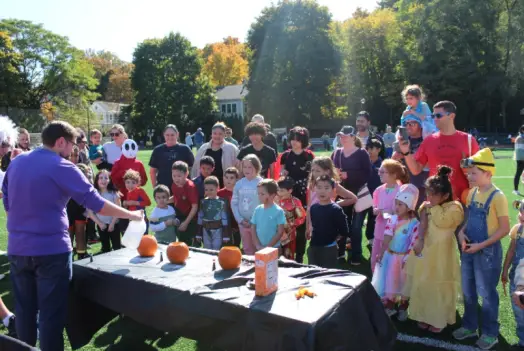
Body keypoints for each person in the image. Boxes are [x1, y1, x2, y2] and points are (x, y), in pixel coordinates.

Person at [3, 121, 142, 351]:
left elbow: (7, 203)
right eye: (71, 146)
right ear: (60, 142)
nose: (73, 152)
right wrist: (132, 216)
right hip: (51, 250)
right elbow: (96, 203)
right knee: (51, 315)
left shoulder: (17, 163)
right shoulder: (62, 166)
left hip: (18, 248)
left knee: (24, 311)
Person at [453, 148, 509, 350]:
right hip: (469, 250)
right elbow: (468, 219)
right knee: (468, 292)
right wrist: (461, 233)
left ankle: (490, 333)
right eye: (469, 172)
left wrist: (481, 245)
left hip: (487, 254)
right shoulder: (473, 192)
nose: (469, 175)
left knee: (486, 294)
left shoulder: (498, 197)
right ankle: (469, 326)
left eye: (473, 173)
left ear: (488, 173)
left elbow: (504, 229)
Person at [407, 166, 464, 333]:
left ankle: (439, 318)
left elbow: (442, 222)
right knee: (423, 281)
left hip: (442, 253)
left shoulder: (455, 207)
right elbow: (423, 222)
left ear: (445, 195)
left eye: (433, 194)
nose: (429, 197)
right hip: (427, 249)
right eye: (428, 193)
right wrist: (420, 239)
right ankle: (423, 315)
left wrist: (431, 207)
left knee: (440, 283)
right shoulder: (428, 205)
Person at [399, 101, 479, 202]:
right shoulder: (429, 140)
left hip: (464, 200)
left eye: (438, 115)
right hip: (435, 202)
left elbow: (480, 170)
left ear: (452, 116)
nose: (435, 119)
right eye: (433, 116)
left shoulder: (468, 140)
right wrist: (406, 152)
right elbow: (416, 170)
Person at [371, 184, 420, 321]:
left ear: (409, 207)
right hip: (391, 256)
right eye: (396, 204)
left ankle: (403, 306)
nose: (397, 207)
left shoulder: (414, 223)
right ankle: (391, 304)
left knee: (404, 282)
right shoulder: (392, 220)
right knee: (391, 280)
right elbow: (387, 237)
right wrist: (381, 252)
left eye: (401, 205)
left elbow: (413, 241)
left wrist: (408, 257)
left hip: (404, 258)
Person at [332, 125, 372, 265]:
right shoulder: (336, 153)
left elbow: (368, 174)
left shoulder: (361, 153)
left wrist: (348, 175)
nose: (342, 138)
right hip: (342, 195)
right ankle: (340, 253)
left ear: (353, 137)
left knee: (356, 227)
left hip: (359, 195)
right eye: (341, 136)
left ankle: (356, 255)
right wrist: (336, 174)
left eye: (345, 136)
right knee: (342, 226)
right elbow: (332, 174)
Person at [306, 157, 357, 255]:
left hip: (327, 220)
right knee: (316, 249)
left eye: (318, 170)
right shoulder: (312, 184)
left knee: (328, 247)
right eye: (313, 170)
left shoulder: (333, 185)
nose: (314, 173)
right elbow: (309, 207)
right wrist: (307, 226)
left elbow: (353, 198)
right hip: (315, 220)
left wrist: (334, 204)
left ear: (327, 171)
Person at [279, 126, 314, 263]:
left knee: (301, 223)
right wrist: (283, 174)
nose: (294, 142)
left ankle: (299, 255)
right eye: (292, 139)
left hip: (303, 193)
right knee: (287, 223)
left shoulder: (308, 156)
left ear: (303, 141)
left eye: (298, 139)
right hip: (288, 193)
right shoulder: (285, 156)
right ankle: (286, 254)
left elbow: (311, 175)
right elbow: (282, 174)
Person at [370, 159, 408, 271]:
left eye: (382, 172)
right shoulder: (378, 190)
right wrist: (376, 210)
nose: (379, 174)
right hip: (380, 229)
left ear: (394, 175)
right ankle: (376, 279)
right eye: (379, 171)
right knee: (376, 255)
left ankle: (392, 282)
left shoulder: (402, 190)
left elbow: (403, 211)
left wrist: (388, 211)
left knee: (391, 259)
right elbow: (374, 207)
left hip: (395, 231)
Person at [307, 175, 350, 268]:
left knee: (327, 274)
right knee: (313, 273)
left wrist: (334, 239)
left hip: (329, 248)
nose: (322, 191)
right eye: (319, 187)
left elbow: (344, 230)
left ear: (333, 190)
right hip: (314, 246)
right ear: (315, 189)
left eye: (326, 188)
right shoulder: (314, 208)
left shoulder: (336, 209)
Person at [393, 115, 429, 208]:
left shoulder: (427, 140)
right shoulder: (402, 140)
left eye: (412, 123)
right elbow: (392, 162)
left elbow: (426, 163)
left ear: (420, 125)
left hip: (422, 185)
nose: (408, 126)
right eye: (406, 124)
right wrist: (395, 157)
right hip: (404, 185)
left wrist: (407, 154)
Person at [502, 201, 524, 347]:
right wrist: (505, 270)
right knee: (519, 313)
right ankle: (522, 340)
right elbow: (511, 250)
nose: (521, 215)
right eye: (521, 211)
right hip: (516, 278)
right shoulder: (518, 229)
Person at [231, 154, 263, 254]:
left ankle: (259, 268)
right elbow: (234, 203)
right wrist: (240, 219)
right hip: (243, 224)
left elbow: (265, 204)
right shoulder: (239, 184)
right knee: (247, 248)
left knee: (259, 248)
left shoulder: (262, 183)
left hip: (258, 224)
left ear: (257, 167)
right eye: (244, 167)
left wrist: (254, 221)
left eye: (250, 167)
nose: (246, 169)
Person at [191, 122, 239, 187]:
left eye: (220, 134)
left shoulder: (232, 148)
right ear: (211, 134)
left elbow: (238, 167)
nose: (217, 136)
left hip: (225, 186)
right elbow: (196, 167)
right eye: (215, 133)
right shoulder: (203, 148)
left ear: (224, 134)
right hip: (205, 187)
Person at [149, 124, 194, 189]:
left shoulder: (185, 149)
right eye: (167, 135)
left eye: (172, 135)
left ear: (177, 134)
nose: (170, 137)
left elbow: (192, 168)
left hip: (182, 188)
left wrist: (190, 184)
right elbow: (153, 171)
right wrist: (155, 187)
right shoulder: (158, 150)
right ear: (164, 135)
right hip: (164, 189)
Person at [251, 179, 286, 251]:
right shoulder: (257, 209)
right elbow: (253, 228)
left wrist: (268, 247)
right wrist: (257, 245)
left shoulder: (279, 211)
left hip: (274, 249)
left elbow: (280, 232)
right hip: (259, 248)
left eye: (262, 194)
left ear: (272, 195)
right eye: (258, 194)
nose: (259, 196)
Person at [170, 161, 199, 246]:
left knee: (189, 245)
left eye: (179, 176)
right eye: (174, 176)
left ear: (186, 174)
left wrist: (186, 223)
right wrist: (165, 201)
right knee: (181, 241)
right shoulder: (174, 185)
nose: (176, 179)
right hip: (179, 216)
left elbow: (195, 207)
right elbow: (176, 197)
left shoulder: (190, 187)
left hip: (190, 219)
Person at [196, 176, 229, 250]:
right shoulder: (203, 202)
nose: (208, 192)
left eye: (211, 189)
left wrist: (226, 234)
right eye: (206, 189)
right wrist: (198, 233)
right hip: (205, 230)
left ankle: (215, 261)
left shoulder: (222, 202)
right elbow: (200, 218)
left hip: (218, 230)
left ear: (217, 188)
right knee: (206, 249)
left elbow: (224, 219)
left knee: (216, 248)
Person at [277, 177, 306, 260]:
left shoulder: (295, 202)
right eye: (278, 190)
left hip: (290, 233)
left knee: (288, 253)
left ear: (290, 190)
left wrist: (291, 224)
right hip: (275, 233)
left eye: (282, 191)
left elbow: (302, 217)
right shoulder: (275, 201)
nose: (279, 193)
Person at [92, 170, 121, 253]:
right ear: (97, 180)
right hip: (101, 225)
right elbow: (90, 212)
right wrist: (99, 223)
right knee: (105, 248)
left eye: (106, 178)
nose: (103, 180)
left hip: (114, 224)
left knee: (117, 247)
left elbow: (118, 210)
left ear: (110, 180)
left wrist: (112, 224)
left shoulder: (114, 194)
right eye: (101, 178)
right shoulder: (94, 195)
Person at [365, 138, 384, 251]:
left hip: (377, 196)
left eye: (373, 148)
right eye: (368, 148)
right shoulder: (364, 163)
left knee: (373, 217)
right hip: (364, 195)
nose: (370, 151)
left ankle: (372, 237)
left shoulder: (383, 164)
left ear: (379, 149)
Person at [218, 167, 241, 247]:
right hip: (224, 226)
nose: (228, 180)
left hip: (237, 225)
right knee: (225, 246)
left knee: (236, 245)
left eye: (231, 178)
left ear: (237, 180)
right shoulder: (219, 193)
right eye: (226, 177)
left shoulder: (239, 193)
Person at [514, 125, 524, 195]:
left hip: (520, 158)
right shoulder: (520, 138)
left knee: (518, 173)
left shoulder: (520, 137)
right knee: (518, 173)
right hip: (521, 159)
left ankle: (515, 190)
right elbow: (519, 151)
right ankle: (515, 189)